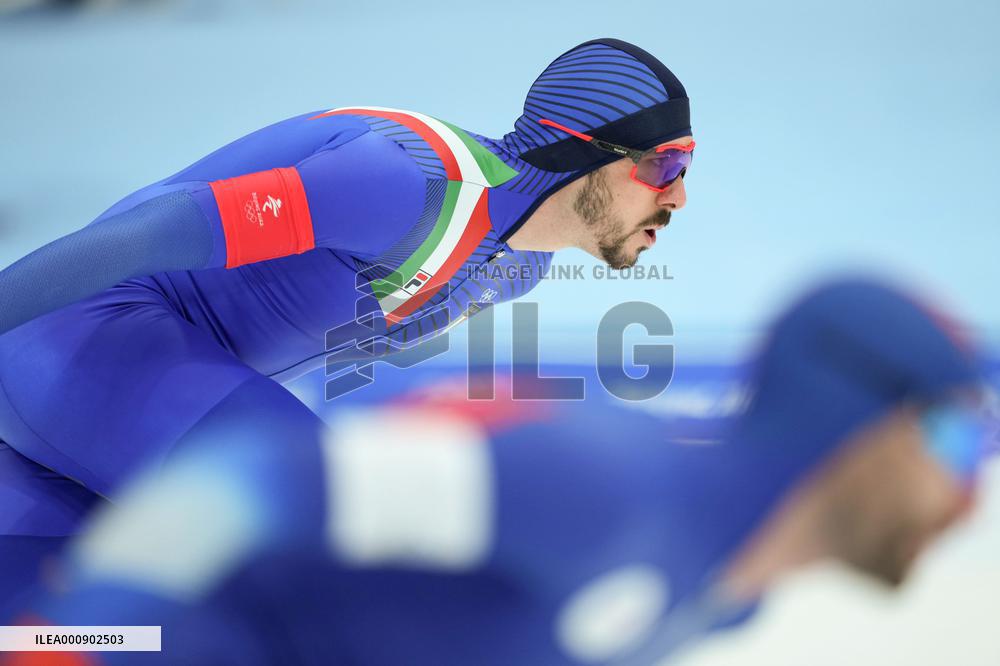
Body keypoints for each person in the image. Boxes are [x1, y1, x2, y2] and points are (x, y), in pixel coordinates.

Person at [0, 38, 694, 613]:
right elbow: (146, 234)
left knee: (72, 639)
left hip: (97, 398)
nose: (680, 196)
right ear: (587, 150)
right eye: (668, 163)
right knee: (342, 555)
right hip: (79, 337)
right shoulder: (403, 182)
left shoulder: (517, 266)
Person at [2, 278, 991, 665]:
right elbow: (251, 479)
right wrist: (83, 640)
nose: (971, 495)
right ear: (868, 423)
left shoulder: (726, 596)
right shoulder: (601, 484)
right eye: (960, 443)